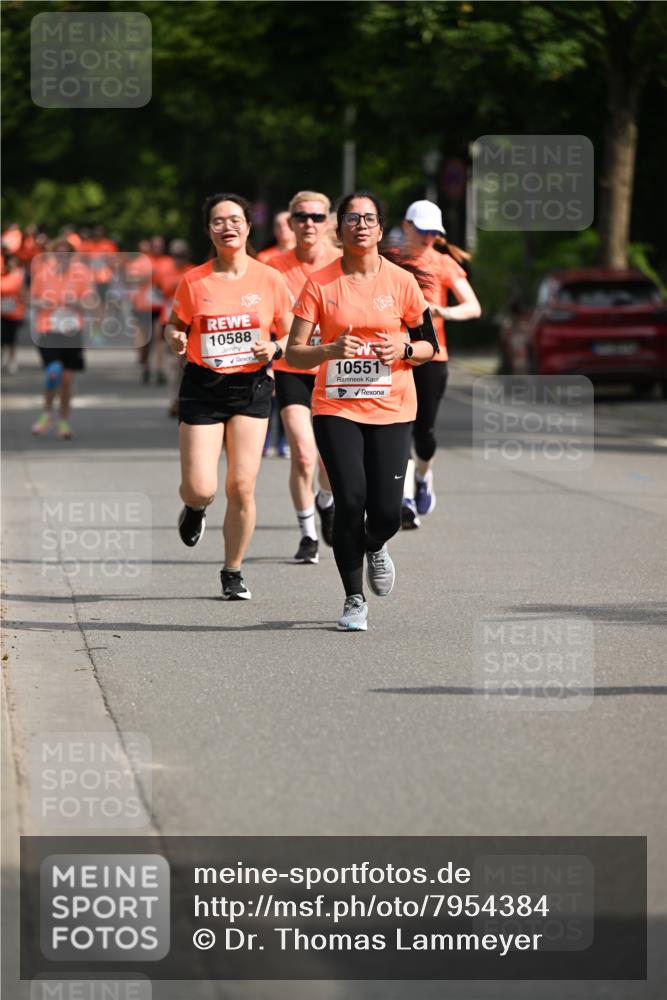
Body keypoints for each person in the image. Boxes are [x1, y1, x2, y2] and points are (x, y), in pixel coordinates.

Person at [286, 191, 439, 631]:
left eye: (368, 218)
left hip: (392, 407)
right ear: (340, 228)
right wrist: (329, 348)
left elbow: (431, 346)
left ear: (379, 227)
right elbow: (295, 354)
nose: (360, 225)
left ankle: (376, 546)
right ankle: (354, 600)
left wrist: (406, 348)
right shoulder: (320, 283)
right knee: (351, 500)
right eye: (351, 218)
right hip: (336, 406)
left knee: (387, 514)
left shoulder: (401, 283)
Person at [164, 193, 292, 601]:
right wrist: (177, 338)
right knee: (202, 487)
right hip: (203, 386)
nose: (228, 226)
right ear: (209, 231)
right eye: (218, 221)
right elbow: (172, 325)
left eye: (235, 219)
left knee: (241, 485)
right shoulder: (194, 280)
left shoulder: (270, 279)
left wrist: (274, 349)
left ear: (248, 226)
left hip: (251, 387)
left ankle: (232, 570)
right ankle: (196, 508)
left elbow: (293, 334)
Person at [399, 200, 481, 527]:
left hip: (434, 356)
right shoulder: (389, 260)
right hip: (396, 355)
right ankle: (404, 498)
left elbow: (473, 307)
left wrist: (443, 312)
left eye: (434, 232)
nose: (428, 237)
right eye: (422, 230)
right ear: (406, 226)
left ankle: (423, 475)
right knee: (398, 428)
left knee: (425, 434)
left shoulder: (443, 263)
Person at [268, 190, 340, 563]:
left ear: (327, 222)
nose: (308, 223)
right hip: (291, 368)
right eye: (301, 217)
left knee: (329, 460)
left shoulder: (344, 262)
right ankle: (308, 534)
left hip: (333, 368)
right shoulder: (270, 266)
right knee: (302, 453)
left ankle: (325, 498)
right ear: (290, 222)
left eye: (316, 216)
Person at [30, 236, 92, 439]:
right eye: (59, 252)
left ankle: (63, 421)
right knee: (53, 372)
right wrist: (41, 303)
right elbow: (31, 298)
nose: (63, 256)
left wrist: (78, 303)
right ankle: (47, 413)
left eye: (67, 253)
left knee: (66, 380)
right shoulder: (42, 273)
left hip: (72, 330)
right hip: (48, 328)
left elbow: (91, 301)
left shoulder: (81, 274)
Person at [1, 246, 26, 374]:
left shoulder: (18, 275)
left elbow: (22, 293)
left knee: (11, 339)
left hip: (13, 312)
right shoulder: (2, 274)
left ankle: (12, 360)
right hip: (1, 312)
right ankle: (3, 359)